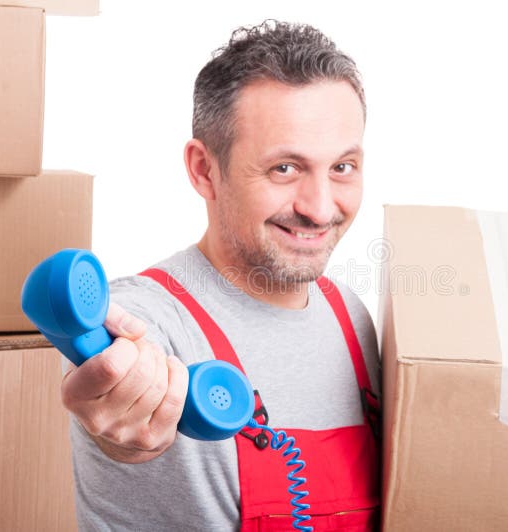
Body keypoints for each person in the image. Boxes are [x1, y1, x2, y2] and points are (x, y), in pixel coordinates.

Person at [61, 19, 381, 531]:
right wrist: (122, 406)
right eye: (285, 169)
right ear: (204, 171)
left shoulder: (354, 320)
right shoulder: (152, 319)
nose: (321, 209)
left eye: (342, 167)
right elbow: (118, 388)